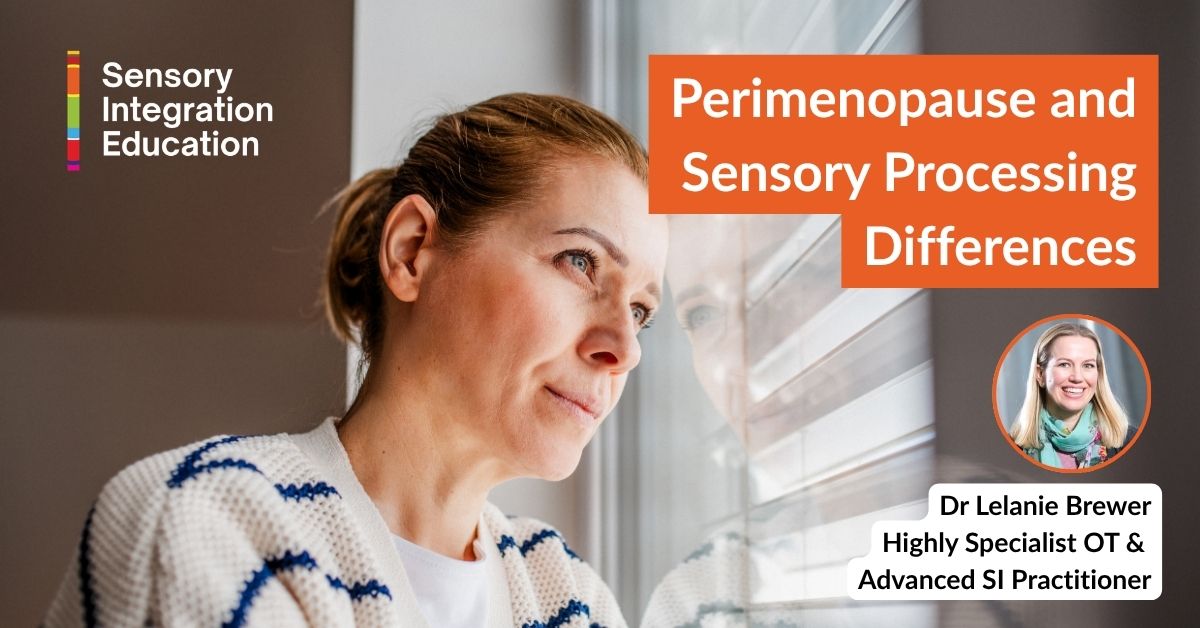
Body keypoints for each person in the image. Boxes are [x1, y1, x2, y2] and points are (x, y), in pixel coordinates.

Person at [44, 93, 666, 627]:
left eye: (640, 310)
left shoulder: (573, 599)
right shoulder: (207, 519)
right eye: (581, 262)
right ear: (412, 250)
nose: (625, 348)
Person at [1008, 321, 1130, 470]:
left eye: (1088, 365)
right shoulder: (1010, 450)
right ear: (1040, 375)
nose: (1077, 377)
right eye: (1064, 364)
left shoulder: (1129, 441)